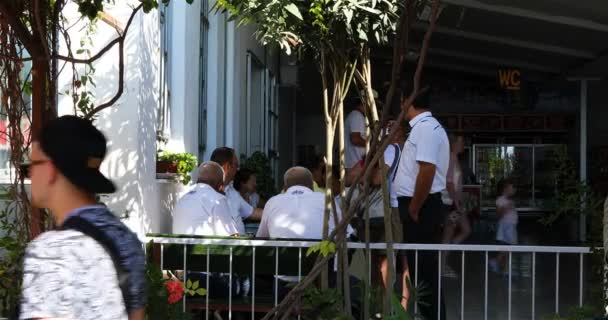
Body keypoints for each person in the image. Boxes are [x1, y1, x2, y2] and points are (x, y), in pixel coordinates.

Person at [19, 115, 145, 320]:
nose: (29, 174)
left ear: (50, 169)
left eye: (31, 165)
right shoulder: (125, 237)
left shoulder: (53, 249)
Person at [393, 83, 449, 320]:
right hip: (419, 205)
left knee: (424, 271)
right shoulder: (422, 128)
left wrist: (415, 206)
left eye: (403, 100)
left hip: (421, 206)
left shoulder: (425, 128)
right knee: (420, 269)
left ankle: (433, 316)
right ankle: (431, 315)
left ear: (409, 102)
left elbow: (427, 170)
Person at [256, 166, 330, 239]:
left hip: (281, 250)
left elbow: (261, 236)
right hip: (321, 250)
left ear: (285, 188)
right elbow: (340, 229)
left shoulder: (272, 202)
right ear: (312, 186)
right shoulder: (326, 199)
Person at [172, 162, 239, 236]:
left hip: (178, 247)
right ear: (220, 185)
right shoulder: (217, 200)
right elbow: (232, 237)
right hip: (205, 247)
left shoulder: (182, 198)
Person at [210, 147, 263, 234]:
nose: (238, 169)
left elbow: (253, 213)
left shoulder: (231, 191)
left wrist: (277, 209)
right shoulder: (208, 192)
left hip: (240, 245)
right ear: (227, 167)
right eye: (236, 165)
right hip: (225, 245)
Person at [441, 134, 471, 278]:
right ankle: (442, 262)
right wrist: (456, 202)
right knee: (449, 232)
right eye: (460, 142)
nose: (462, 145)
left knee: (465, 229)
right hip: (450, 202)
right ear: (452, 143)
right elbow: (449, 182)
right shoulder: (450, 158)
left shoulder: (454, 158)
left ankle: (443, 255)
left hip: (455, 201)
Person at [489, 178, 519, 275]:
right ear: (505, 189)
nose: (514, 190)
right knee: (509, 246)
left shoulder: (509, 200)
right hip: (507, 226)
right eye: (512, 188)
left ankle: (504, 269)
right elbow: (498, 214)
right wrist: (506, 208)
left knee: (507, 247)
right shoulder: (500, 200)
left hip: (510, 226)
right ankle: (496, 261)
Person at [345, 91, 375, 171]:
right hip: (356, 165)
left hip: (355, 164)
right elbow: (355, 139)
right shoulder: (357, 116)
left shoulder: (357, 116)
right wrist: (373, 145)